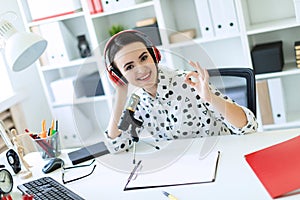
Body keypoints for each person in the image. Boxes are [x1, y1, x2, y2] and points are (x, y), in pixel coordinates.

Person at [104, 30, 258, 153]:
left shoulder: (189, 83)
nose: (141, 69)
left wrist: (211, 98)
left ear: (154, 55)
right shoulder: (137, 100)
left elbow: (249, 127)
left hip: (220, 156)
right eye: (129, 67)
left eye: (144, 58)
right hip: (181, 168)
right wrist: (120, 96)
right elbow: (118, 146)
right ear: (119, 76)